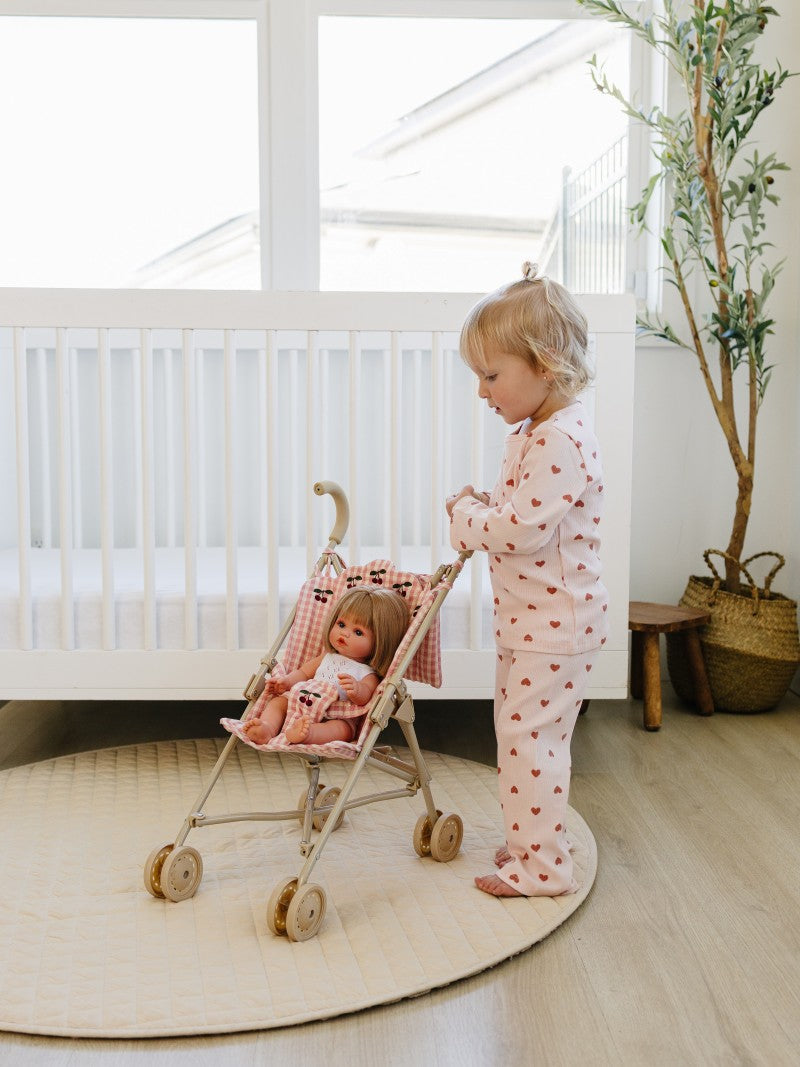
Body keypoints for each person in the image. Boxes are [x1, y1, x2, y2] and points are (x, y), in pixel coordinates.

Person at [446, 261, 608, 898]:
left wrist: (467, 517)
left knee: (527, 742)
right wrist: (484, 502)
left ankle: (542, 868)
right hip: (531, 620)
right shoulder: (535, 432)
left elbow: (520, 531)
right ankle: (535, 840)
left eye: (491, 375)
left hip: (553, 626)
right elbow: (523, 508)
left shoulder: (559, 440)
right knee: (527, 739)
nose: (483, 392)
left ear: (546, 363)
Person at [242, 586, 409, 745]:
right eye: (341, 624)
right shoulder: (326, 657)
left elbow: (366, 696)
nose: (344, 633)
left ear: (380, 642)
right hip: (304, 700)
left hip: (335, 712)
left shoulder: (367, 673)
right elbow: (303, 673)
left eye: (358, 632)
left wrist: (357, 690)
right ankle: (267, 728)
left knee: (342, 730)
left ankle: (308, 734)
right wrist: (286, 682)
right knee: (278, 703)